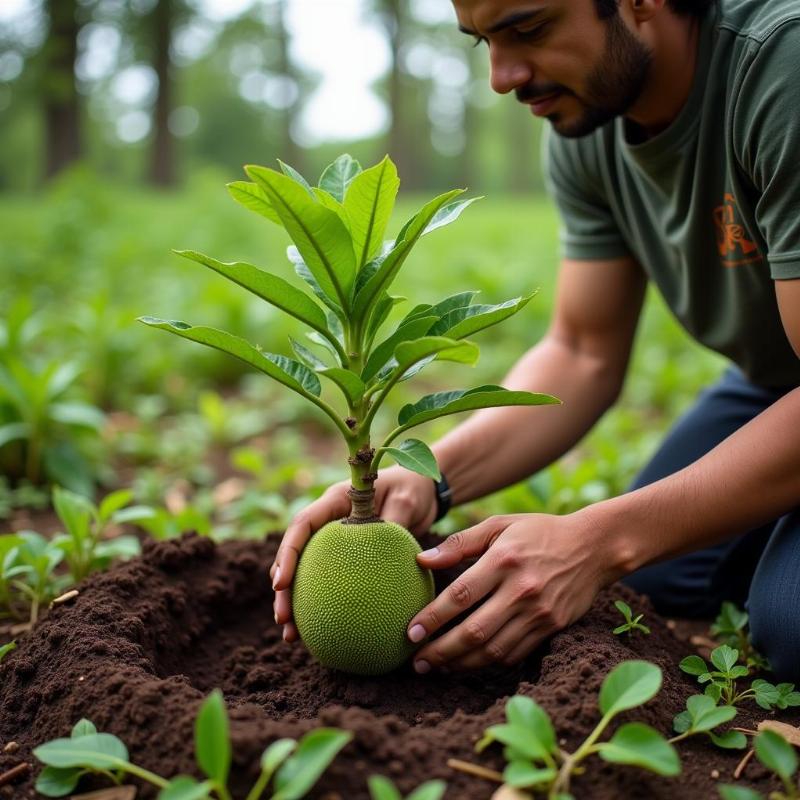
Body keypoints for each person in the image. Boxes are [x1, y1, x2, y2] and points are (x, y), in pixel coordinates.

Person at [271, 0, 800, 680]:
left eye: (528, 28)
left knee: (788, 625)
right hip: (776, 381)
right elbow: (583, 351)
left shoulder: (779, 66)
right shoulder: (589, 122)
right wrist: (427, 480)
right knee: (664, 576)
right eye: (481, 41)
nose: (500, 76)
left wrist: (597, 540)